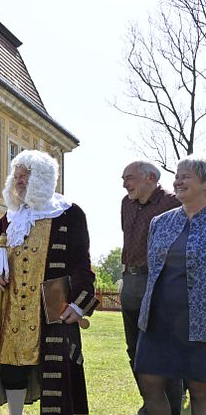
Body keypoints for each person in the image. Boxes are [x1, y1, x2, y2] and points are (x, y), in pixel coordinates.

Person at [0, 150, 98, 415]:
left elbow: (81, 264)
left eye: (25, 176)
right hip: (12, 309)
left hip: (52, 309)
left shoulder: (69, 214)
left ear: (43, 178)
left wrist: (80, 304)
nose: (19, 181)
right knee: (13, 367)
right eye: (16, 176)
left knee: (56, 373)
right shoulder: (8, 218)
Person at [136, 154, 206, 415]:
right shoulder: (160, 222)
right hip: (158, 318)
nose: (178, 182)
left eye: (186, 176)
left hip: (200, 321)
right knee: (150, 382)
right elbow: (152, 270)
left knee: (200, 389)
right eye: (176, 177)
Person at [121, 159, 181, 415]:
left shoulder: (172, 203)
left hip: (159, 282)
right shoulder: (126, 203)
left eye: (129, 177)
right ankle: (152, 404)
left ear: (150, 178)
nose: (125, 184)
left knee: (162, 350)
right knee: (135, 350)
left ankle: (171, 409)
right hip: (131, 281)